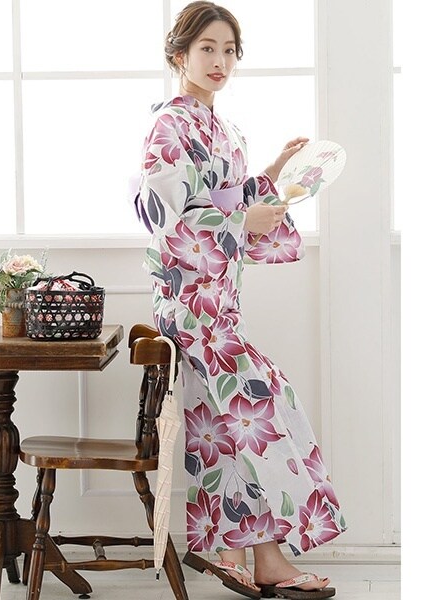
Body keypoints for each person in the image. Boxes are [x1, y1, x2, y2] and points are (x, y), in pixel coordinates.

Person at [134, 2, 346, 599]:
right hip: (187, 300)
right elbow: (168, 219)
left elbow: (232, 197)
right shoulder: (169, 126)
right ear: (179, 55)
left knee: (224, 426)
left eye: (229, 51)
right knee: (259, 406)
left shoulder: (225, 130)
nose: (220, 61)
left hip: (221, 301)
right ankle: (256, 556)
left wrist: (273, 171)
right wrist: (239, 221)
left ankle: (238, 552)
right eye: (207, 48)